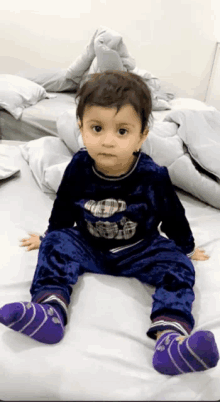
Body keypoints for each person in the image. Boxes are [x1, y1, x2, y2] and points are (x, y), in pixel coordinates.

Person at [0, 70, 219, 376]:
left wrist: (185, 247)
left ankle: (170, 339)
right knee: (56, 243)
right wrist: (50, 235)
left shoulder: (153, 176)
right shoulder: (78, 166)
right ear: (81, 129)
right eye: (97, 128)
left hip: (140, 248)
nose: (107, 141)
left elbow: (173, 215)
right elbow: (63, 206)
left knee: (179, 267)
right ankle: (49, 310)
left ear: (142, 135)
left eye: (122, 132)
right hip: (89, 243)